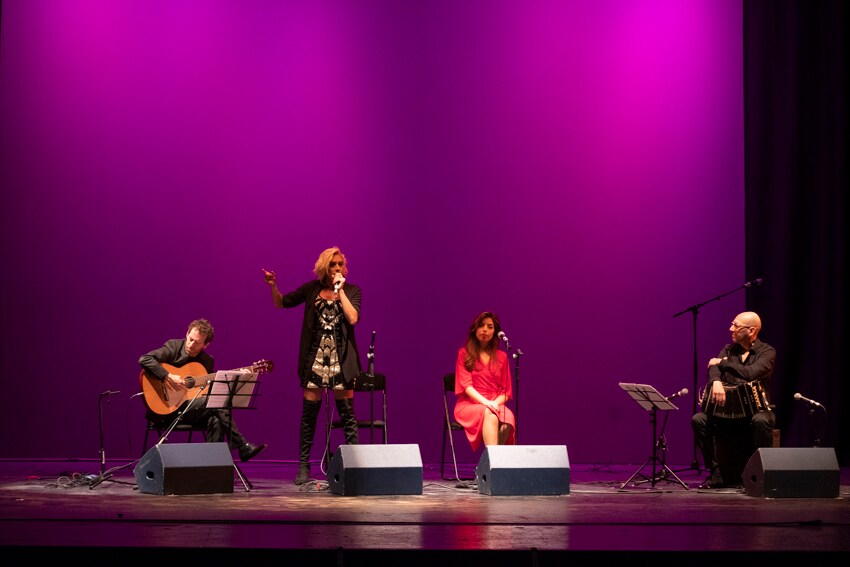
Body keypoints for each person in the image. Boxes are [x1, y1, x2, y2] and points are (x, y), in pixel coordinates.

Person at [262, 246, 362, 485]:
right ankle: (303, 465)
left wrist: (341, 292)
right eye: (332, 265)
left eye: (340, 265)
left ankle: (354, 466)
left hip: (342, 361)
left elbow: (353, 318)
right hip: (315, 359)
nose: (337, 268)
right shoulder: (312, 289)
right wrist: (273, 286)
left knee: (347, 415)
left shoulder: (352, 290)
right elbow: (281, 303)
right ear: (323, 267)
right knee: (309, 417)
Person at [138, 318, 267, 462]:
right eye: (190, 339)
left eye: (197, 342)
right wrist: (168, 376)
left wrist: (239, 376)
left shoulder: (207, 361)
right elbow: (145, 359)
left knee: (216, 419)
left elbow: (210, 389)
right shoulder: (173, 346)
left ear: (206, 345)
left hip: (190, 409)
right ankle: (242, 446)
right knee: (217, 405)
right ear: (187, 333)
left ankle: (210, 468)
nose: (191, 344)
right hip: (167, 408)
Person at [691, 311, 776, 488]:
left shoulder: (767, 352)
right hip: (727, 413)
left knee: (761, 421)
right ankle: (716, 473)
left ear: (752, 331)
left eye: (736, 326)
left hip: (757, 410)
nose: (731, 329)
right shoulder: (728, 350)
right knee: (699, 419)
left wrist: (721, 363)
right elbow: (712, 369)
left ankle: (760, 476)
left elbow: (751, 373)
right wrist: (715, 381)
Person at [454, 311, 516, 451]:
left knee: (509, 419)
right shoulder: (464, 354)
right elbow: (466, 386)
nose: (485, 330)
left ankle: (489, 463)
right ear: (475, 328)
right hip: (470, 404)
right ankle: (493, 466)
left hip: (495, 403)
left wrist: (494, 402)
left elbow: (506, 391)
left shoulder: (502, 357)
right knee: (490, 413)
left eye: (490, 327)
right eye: (481, 326)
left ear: (495, 332)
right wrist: (486, 403)